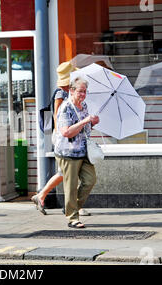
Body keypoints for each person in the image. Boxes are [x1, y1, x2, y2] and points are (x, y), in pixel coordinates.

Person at [31, 61, 91, 217]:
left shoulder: (68, 92)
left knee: (64, 173)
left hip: (69, 138)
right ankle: (71, 205)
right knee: (67, 172)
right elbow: (58, 118)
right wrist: (64, 136)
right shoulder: (61, 93)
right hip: (64, 139)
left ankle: (43, 196)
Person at [54, 76, 99, 229]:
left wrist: (91, 123)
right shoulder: (65, 107)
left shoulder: (83, 105)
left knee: (90, 180)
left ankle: (70, 206)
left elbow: (84, 130)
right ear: (71, 90)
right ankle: (72, 218)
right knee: (71, 186)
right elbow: (66, 132)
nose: (83, 95)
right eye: (80, 91)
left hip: (83, 150)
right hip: (68, 152)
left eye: (85, 92)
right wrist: (84, 121)